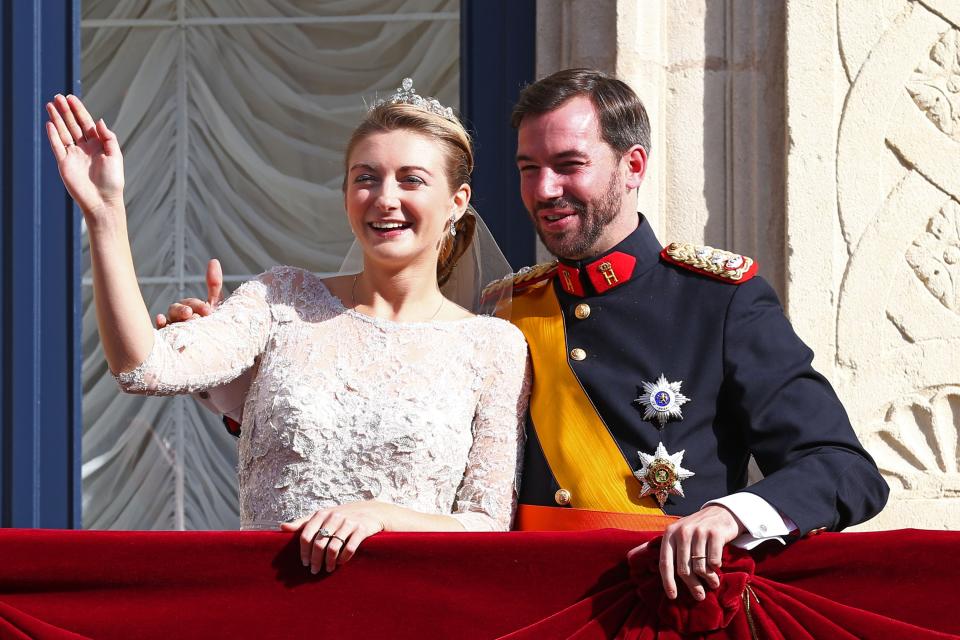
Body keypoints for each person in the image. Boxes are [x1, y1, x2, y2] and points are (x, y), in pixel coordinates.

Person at [166, 69, 889, 602]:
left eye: (569, 166)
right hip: (522, 609)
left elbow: (843, 468)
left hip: (658, 608)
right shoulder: (501, 309)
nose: (545, 191)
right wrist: (241, 386)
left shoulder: (718, 302)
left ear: (632, 166)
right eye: (528, 169)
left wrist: (730, 517)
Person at [45, 82, 530, 575]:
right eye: (366, 178)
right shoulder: (282, 298)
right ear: (345, 194)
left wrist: (383, 517)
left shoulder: (493, 346)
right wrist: (105, 213)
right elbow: (144, 367)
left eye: (411, 180)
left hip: (408, 607)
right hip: (270, 604)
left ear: (456, 201)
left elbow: (487, 525)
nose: (385, 198)